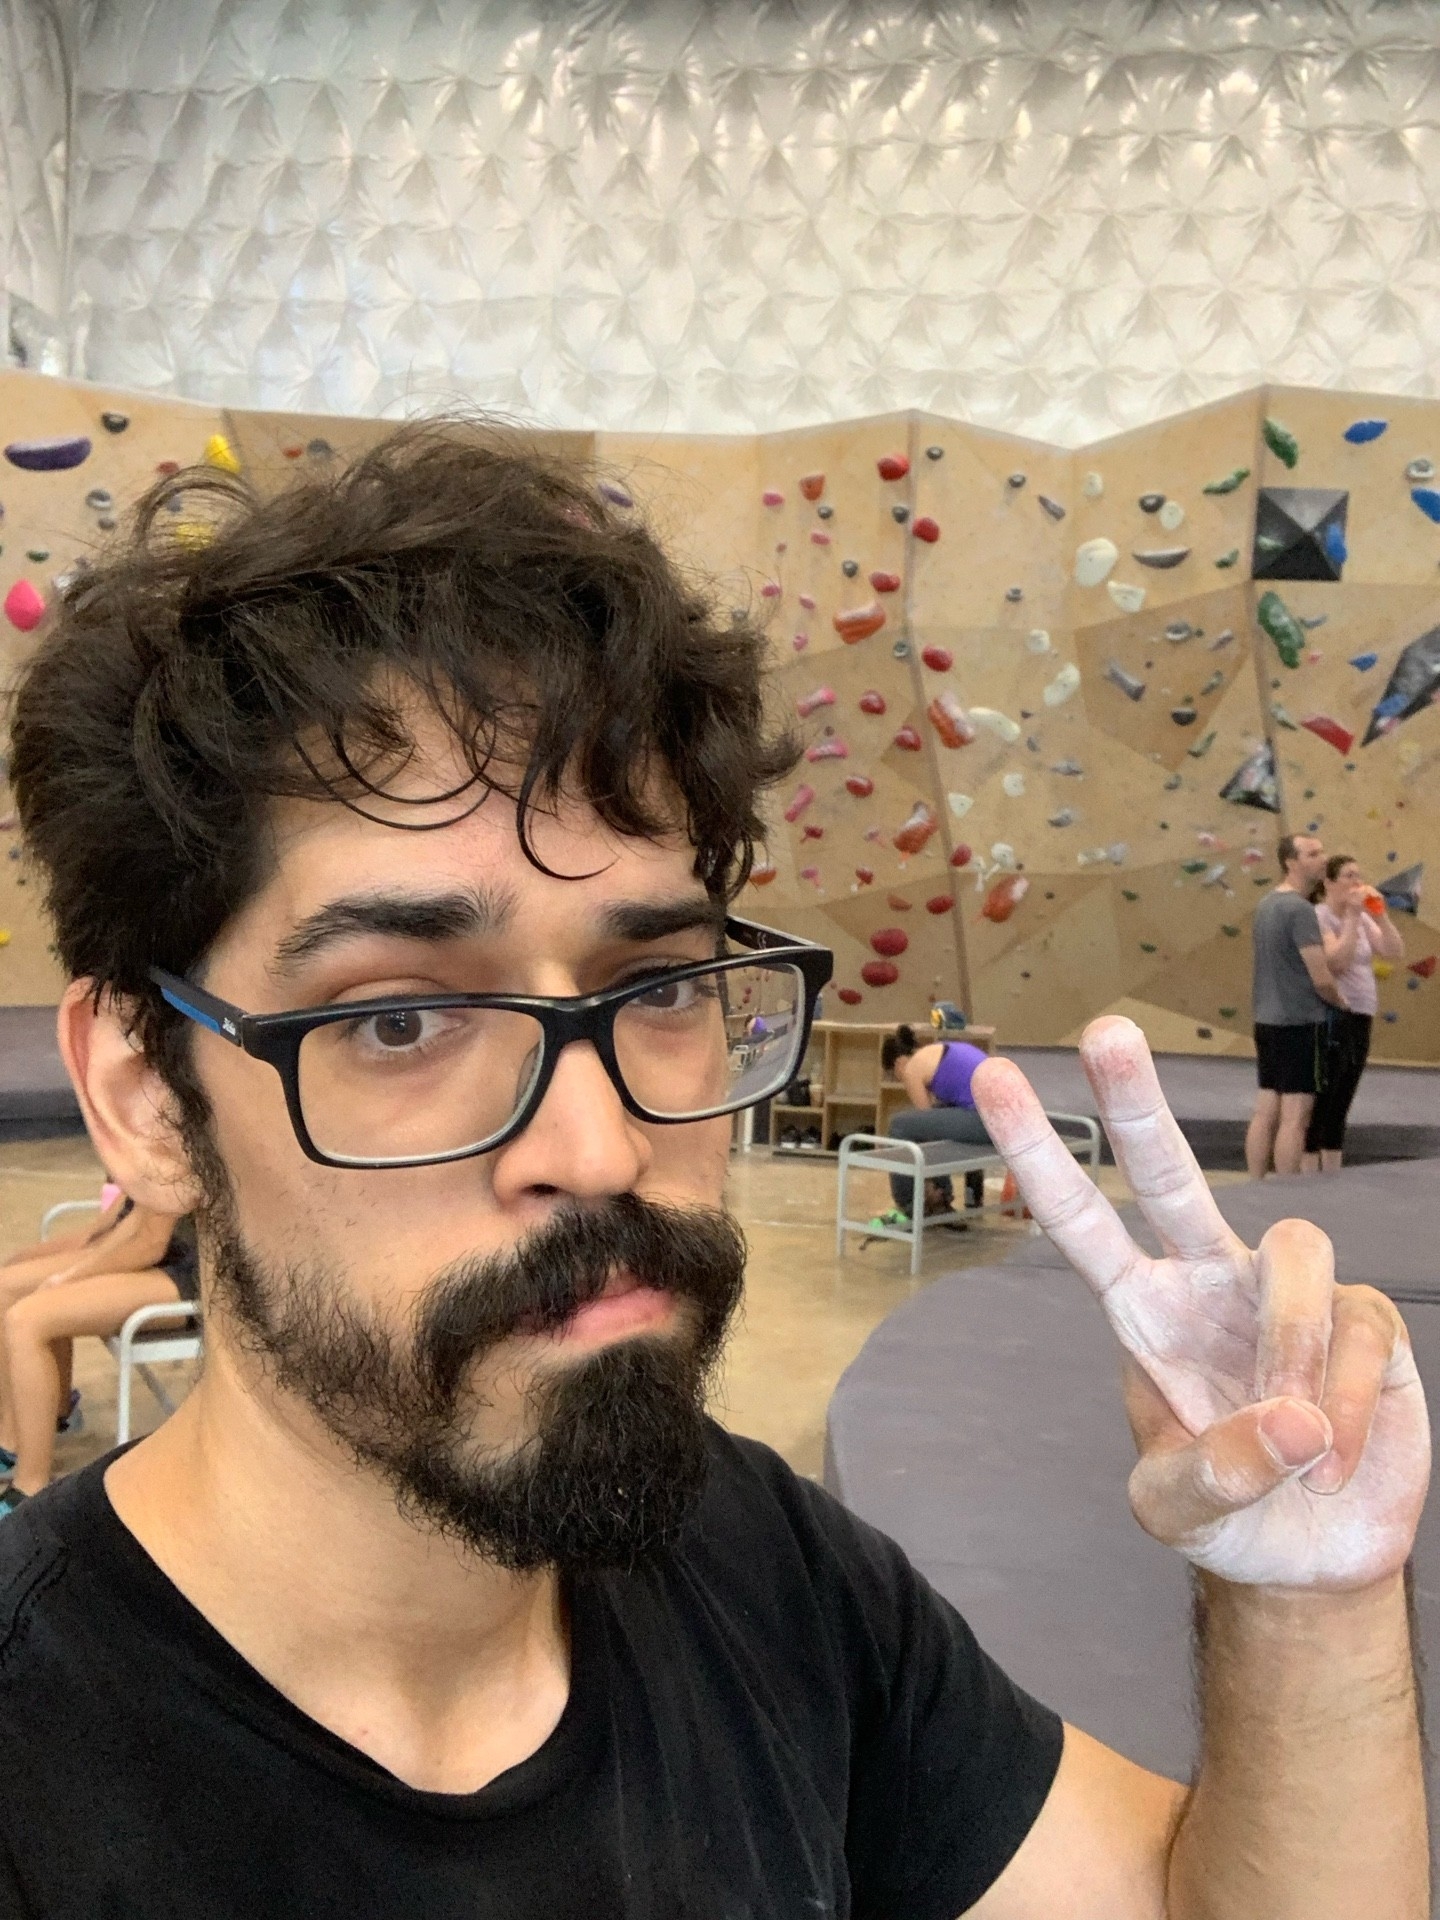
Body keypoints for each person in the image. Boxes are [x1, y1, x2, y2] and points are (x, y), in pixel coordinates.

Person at [0, 423, 1425, 1915]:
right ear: (144, 1096)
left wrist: (1308, 1602)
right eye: (400, 1020)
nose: (598, 1148)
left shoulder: (760, 1563)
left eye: (660, 989)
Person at [0, 1211, 196, 1503]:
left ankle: (29, 1487)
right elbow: (132, 1215)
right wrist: (87, 1253)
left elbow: (149, 1242)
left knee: (26, 1320)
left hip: (189, 1272)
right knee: (15, 1290)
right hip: (162, 1252)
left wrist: (71, 1276)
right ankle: (27, 1430)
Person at [1244, 832, 1344, 1179]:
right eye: (1312, 854)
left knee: (1266, 1109)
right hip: (1299, 1022)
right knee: (1296, 1116)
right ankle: (1287, 1193)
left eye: (1322, 851)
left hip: (1267, 1020)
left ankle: (1255, 1183)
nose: (1322, 858)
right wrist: (1340, 1002)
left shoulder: (1267, 904)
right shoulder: (1300, 911)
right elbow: (1321, 976)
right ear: (1291, 862)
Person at [1303, 856, 1405, 1173]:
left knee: (1345, 1092)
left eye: (1358, 875)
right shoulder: (1320, 916)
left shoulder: (1361, 918)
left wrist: (1381, 916)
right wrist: (1350, 917)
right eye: (1348, 876)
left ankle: (1333, 1170)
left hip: (1362, 1012)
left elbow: (1394, 950)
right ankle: (1307, 1170)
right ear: (1329, 883)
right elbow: (1337, 962)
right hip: (1333, 1012)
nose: (1356, 882)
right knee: (1325, 1093)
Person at [871, 1023, 992, 1229]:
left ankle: (909, 1205)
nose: (899, 1080)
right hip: (1003, 1118)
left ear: (898, 1063)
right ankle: (941, 1198)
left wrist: (929, 1182)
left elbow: (927, 1127)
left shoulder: (912, 1068)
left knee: (899, 1125)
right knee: (934, 1119)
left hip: (987, 1121)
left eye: (894, 1075)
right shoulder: (939, 1052)